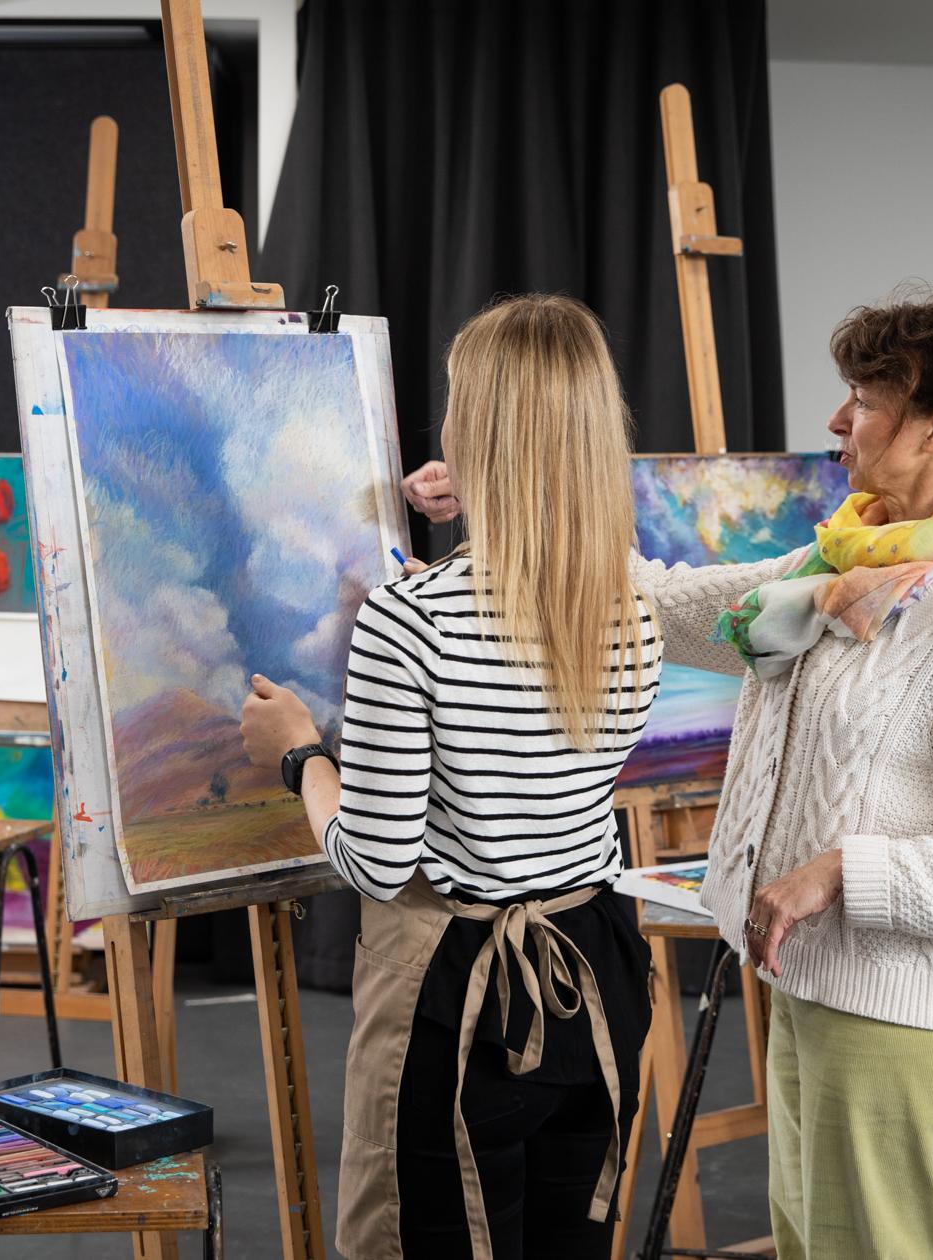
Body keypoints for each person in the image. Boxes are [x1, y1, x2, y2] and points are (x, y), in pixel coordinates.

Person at [630, 290, 933, 1259]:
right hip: (818, 987)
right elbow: (677, 611)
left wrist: (843, 871)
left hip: (903, 1018)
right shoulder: (854, 561)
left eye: (864, 398)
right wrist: (518, 512)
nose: (838, 421)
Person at [239, 294, 659, 1260]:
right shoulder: (634, 594)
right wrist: (485, 496)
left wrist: (302, 754)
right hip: (595, 974)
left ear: (473, 429)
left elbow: (379, 865)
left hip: (469, 996)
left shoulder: (409, 620)